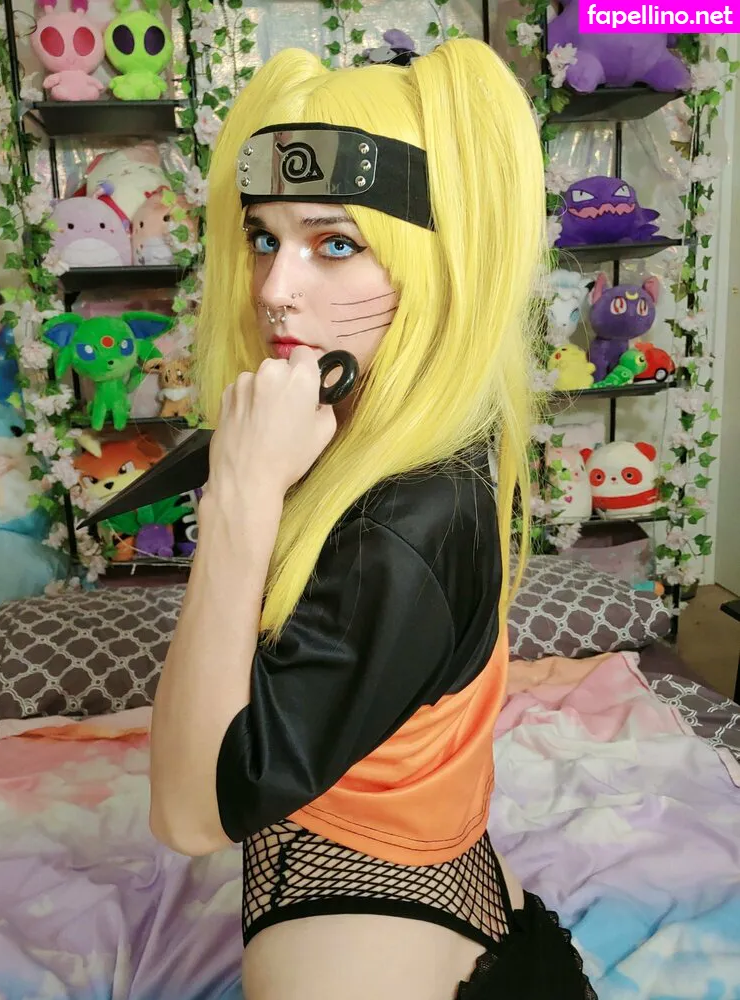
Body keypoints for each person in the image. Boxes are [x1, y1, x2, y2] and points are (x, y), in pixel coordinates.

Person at [148, 38, 598, 1000]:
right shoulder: (377, 430)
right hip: (399, 870)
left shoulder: (407, 518)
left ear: (435, 266)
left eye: (336, 243)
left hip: (366, 934)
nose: (275, 289)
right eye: (264, 238)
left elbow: (189, 816)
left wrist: (240, 497)